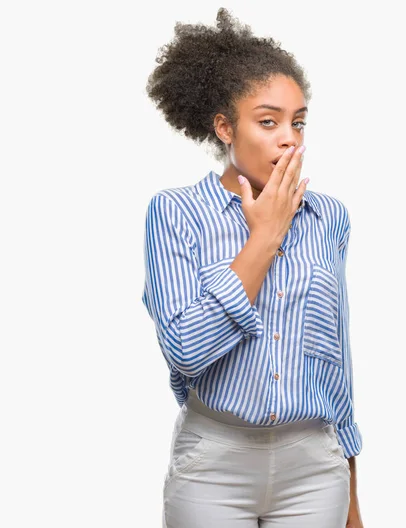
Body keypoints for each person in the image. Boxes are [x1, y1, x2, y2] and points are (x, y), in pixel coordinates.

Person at [142, 8, 364, 528]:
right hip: (214, 463)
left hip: (315, 466)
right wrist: (264, 237)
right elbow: (185, 351)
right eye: (268, 122)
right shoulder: (175, 213)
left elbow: (337, 357)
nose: (290, 139)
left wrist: (353, 491)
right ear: (224, 127)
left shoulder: (329, 216)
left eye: (298, 122)